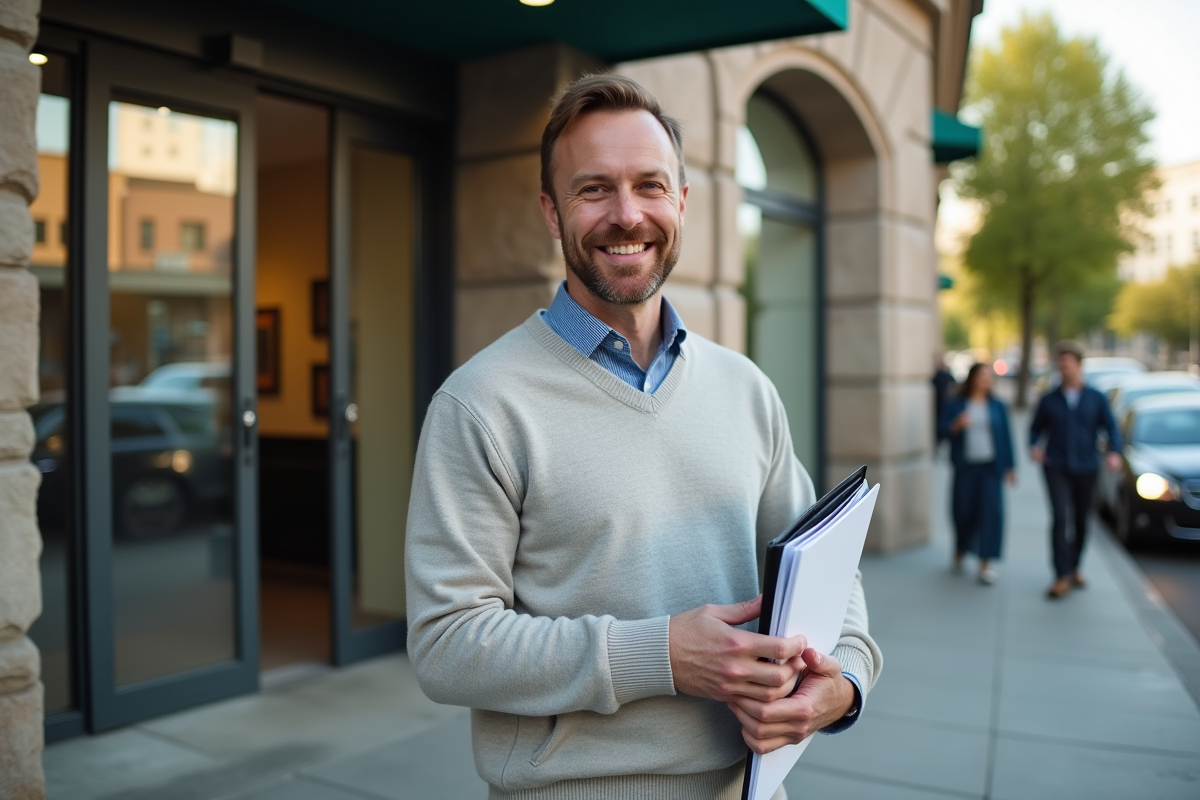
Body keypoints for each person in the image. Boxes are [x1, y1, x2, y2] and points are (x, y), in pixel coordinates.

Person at [404, 74, 881, 800]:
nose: (627, 215)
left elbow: (828, 571)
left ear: (681, 202)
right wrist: (659, 654)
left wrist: (844, 681)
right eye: (593, 189)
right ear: (550, 212)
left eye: (650, 186)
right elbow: (446, 646)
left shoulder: (746, 388)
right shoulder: (479, 404)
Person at [1030, 341, 1122, 599]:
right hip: (1056, 465)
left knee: (1081, 520)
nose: (1063, 369)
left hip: (1086, 466)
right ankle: (1060, 575)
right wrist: (1033, 446)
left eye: (1067, 364)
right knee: (1060, 518)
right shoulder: (1049, 399)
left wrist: (1114, 452)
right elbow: (1035, 429)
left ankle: (1074, 566)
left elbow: (1111, 427)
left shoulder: (1096, 398)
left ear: (1079, 366)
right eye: (1060, 364)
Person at [939, 363, 1016, 584]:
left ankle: (985, 563)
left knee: (992, 514)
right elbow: (942, 430)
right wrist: (956, 426)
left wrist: (1010, 467)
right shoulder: (957, 405)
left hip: (991, 468)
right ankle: (961, 547)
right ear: (972, 378)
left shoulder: (998, 406)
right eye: (982, 376)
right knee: (963, 512)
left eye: (989, 376)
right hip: (965, 468)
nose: (986, 380)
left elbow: (1006, 437)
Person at [932, 356, 958, 448]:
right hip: (938, 402)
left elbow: (954, 385)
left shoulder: (948, 375)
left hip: (945, 401)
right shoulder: (937, 375)